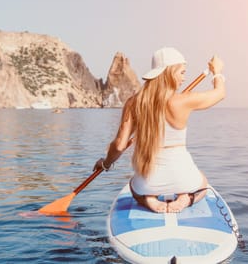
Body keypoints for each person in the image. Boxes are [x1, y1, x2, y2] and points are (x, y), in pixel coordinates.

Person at [93, 47, 225, 213]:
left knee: (135, 187)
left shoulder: (134, 103)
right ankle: (186, 198)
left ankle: (148, 199)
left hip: (148, 183)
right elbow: (220, 93)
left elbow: (119, 145)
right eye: (182, 72)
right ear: (170, 72)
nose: (184, 78)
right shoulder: (184, 100)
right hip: (183, 177)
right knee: (203, 185)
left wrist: (105, 164)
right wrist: (217, 72)